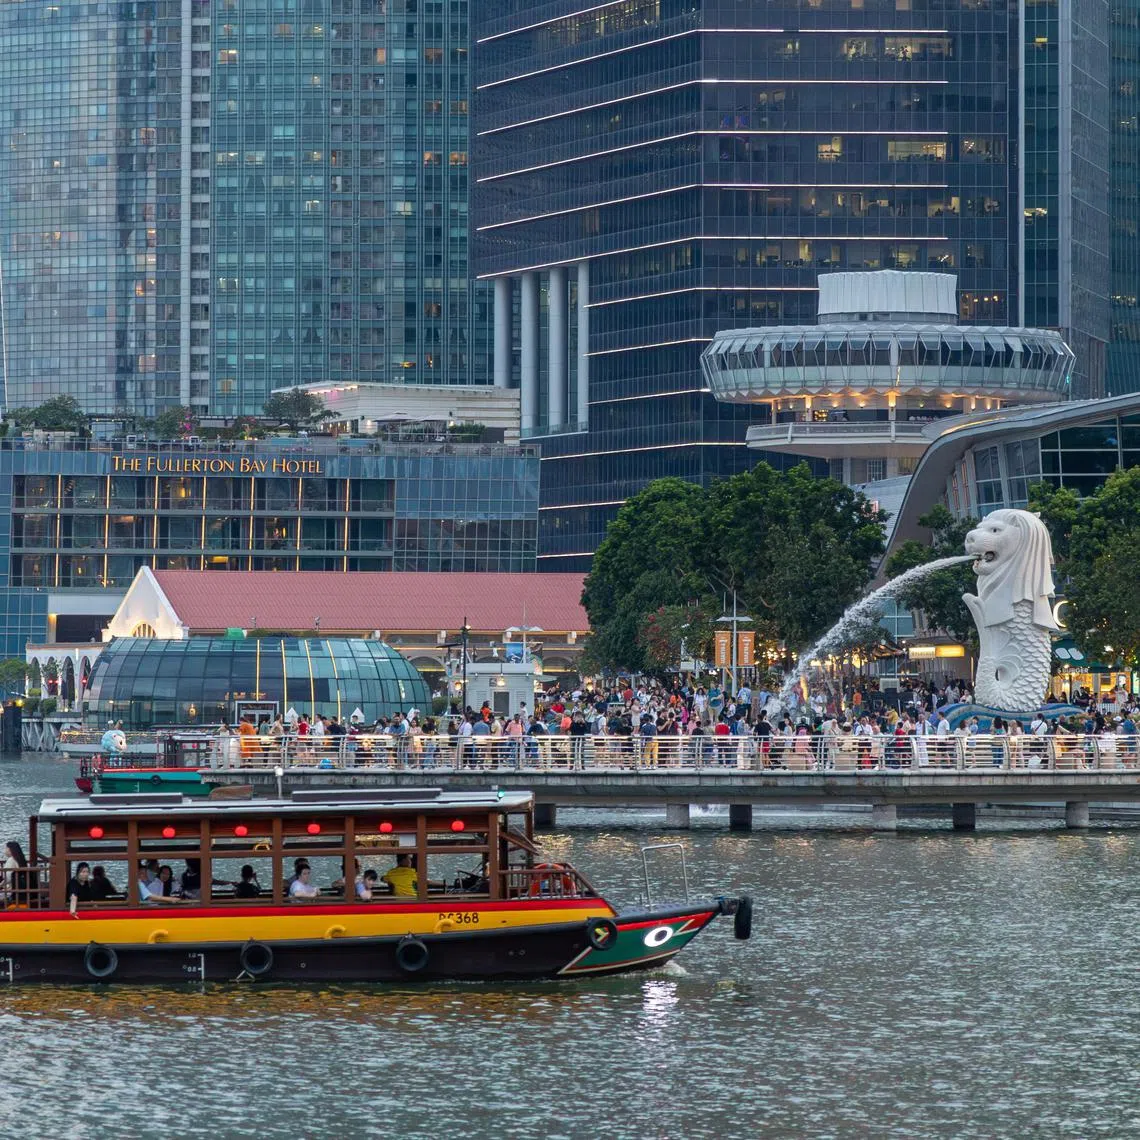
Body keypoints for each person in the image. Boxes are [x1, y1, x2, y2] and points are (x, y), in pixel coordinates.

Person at [3, 840, 27, 905]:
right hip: (20, 889)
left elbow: (7, 877)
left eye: (6, 848)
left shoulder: (11, 860)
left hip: (12, 891)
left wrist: (1, 885)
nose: (4, 850)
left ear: (10, 849)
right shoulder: (21, 859)